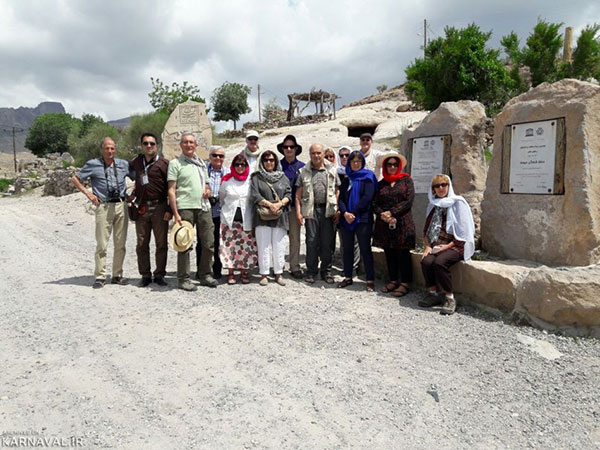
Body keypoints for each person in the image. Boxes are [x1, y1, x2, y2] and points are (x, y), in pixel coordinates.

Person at [72, 137, 133, 288]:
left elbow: (137, 176)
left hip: (121, 205)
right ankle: (100, 276)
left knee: (120, 243)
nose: (110, 151)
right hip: (103, 207)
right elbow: (75, 178)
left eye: (112, 148)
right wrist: (89, 194)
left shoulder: (123, 164)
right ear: (101, 149)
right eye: (107, 148)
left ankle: (117, 275)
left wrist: (133, 193)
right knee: (102, 244)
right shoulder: (93, 164)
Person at [167, 132, 217, 291]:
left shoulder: (201, 163)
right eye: (186, 142)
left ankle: (205, 275)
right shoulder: (175, 164)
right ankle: (183, 278)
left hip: (203, 207)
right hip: (185, 208)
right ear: (181, 145)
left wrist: (207, 190)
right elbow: (171, 190)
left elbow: (207, 185)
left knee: (208, 243)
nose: (189, 145)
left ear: (196, 145)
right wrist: (175, 213)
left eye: (191, 142)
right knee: (184, 244)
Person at [420, 174, 475, 315]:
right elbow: (426, 230)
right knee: (426, 261)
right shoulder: (433, 204)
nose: (440, 188)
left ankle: (449, 298)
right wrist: (428, 246)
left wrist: (446, 247)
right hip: (437, 244)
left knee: (439, 262)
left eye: (443, 184)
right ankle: (433, 294)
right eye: (436, 186)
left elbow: (463, 233)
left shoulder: (458, 203)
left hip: (456, 245)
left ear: (449, 186)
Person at [129, 133, 171, 287]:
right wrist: (131, 194)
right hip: (142, 207)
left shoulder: (164, 164)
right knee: (141, 244)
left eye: (152, 143)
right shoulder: (136, 162)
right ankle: (145, 275)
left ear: (157, 146)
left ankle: (159, 274)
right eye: (145, 143)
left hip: (159, 207)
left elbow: (171, 188)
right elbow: (125, 174)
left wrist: (169, 210)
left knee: (161, 243)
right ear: (141, 145)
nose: (149, 146)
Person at [295, 143, 340, 284]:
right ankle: (311, 271)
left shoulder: (331, 170)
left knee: (327, 243)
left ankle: (326, 272)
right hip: (311, 210)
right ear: (310, 155)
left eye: (319, 153)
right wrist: (298, 212)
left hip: (327, 211)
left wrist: (336, 206)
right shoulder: (304, 171)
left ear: (322, 154)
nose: (316, 155)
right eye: (313, 153)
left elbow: (337, 189)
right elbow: (298, 194)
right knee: (311, 241)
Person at [373, 153, 415, 297]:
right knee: (389, 252)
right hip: (385, 224)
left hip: (402, 222)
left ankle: (405, 283)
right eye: (389, 164)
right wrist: (382, 215)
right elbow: (374, 203)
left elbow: (408, 201)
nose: (392, 167)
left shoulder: (406, 181)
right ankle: (393, 279)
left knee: (403, 253)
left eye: (395, 164)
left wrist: (392, 213)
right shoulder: (380, 184)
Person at [337, 151, 377, 292]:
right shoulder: (347, 179)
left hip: (363, 218)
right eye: (353, 161)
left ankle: (370, 279)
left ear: (362, 163)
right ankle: (348, 276)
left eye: (358, 161)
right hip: (346, 218)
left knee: (365, 249)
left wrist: (353, 213)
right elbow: (341, 198)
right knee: (347, 249)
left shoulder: (368, 177)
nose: (355, 163)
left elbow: (367, 198)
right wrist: (345, 213)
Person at [251, 150, 292, 286]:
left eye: (271, 160)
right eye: (266, 160)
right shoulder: (256, 178)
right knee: (263, 246)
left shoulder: (283, 177)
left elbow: (288, 193)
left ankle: (278, 273)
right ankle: (264, 274)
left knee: (279, 245)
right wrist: (269, 205)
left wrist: (280, 204)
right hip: (262, 216)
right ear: (262, 162)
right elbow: (255, 195)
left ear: (276, 162)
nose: (269, 162)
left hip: (280, 216)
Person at [219, 154, 258, 285]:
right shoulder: (226, 181)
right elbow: (222, 197)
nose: (240, 167)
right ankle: (230, 273)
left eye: (243, 164)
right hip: (229, 220)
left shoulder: (251, 181)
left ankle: (243, 272)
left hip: (246, 220)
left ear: (246, 166)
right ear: (233, 166)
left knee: (245, 248)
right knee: (229, 247)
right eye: (237, 164)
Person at [195, 145, 229, 280]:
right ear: (210, 157)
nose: (218, 158)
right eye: (215, 155)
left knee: (218, 242)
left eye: (221, 156)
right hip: (205, 210)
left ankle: (216, 269)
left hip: (221, 212)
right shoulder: (202, 171)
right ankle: (201, 269)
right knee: (202, 242)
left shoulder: (227, 173)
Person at [278, 135, 305, 279]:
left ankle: (294, 266)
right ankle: (279, 265)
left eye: (291, 147)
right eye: (286, 147)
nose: (288, 149)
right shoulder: (276, 165)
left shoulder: (302, 167)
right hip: (280, 207)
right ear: (282, 149)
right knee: (279, 238)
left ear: (296, 149)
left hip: (295, 207)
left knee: (295, 238)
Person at [334, 145, 360, 274]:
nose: (344, 157)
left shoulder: (359, 172)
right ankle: (346, 266)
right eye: (341, 155)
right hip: (342, 211)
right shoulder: (336, 172)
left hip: (356, 212)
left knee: (356, 241)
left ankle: (354, 266)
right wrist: (341, 211)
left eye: (347, 155)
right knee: (344, 241)